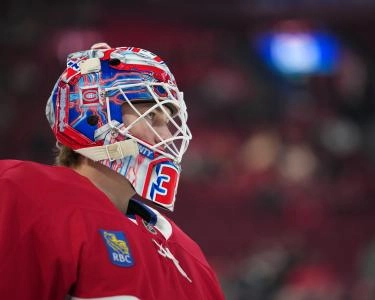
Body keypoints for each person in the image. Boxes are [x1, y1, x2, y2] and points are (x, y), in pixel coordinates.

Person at [0, 42, 225, 300]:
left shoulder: (188, 256)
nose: (165, 136)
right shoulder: (24, 194)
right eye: (151, 117)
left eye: (168, 123)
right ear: (93, 116)